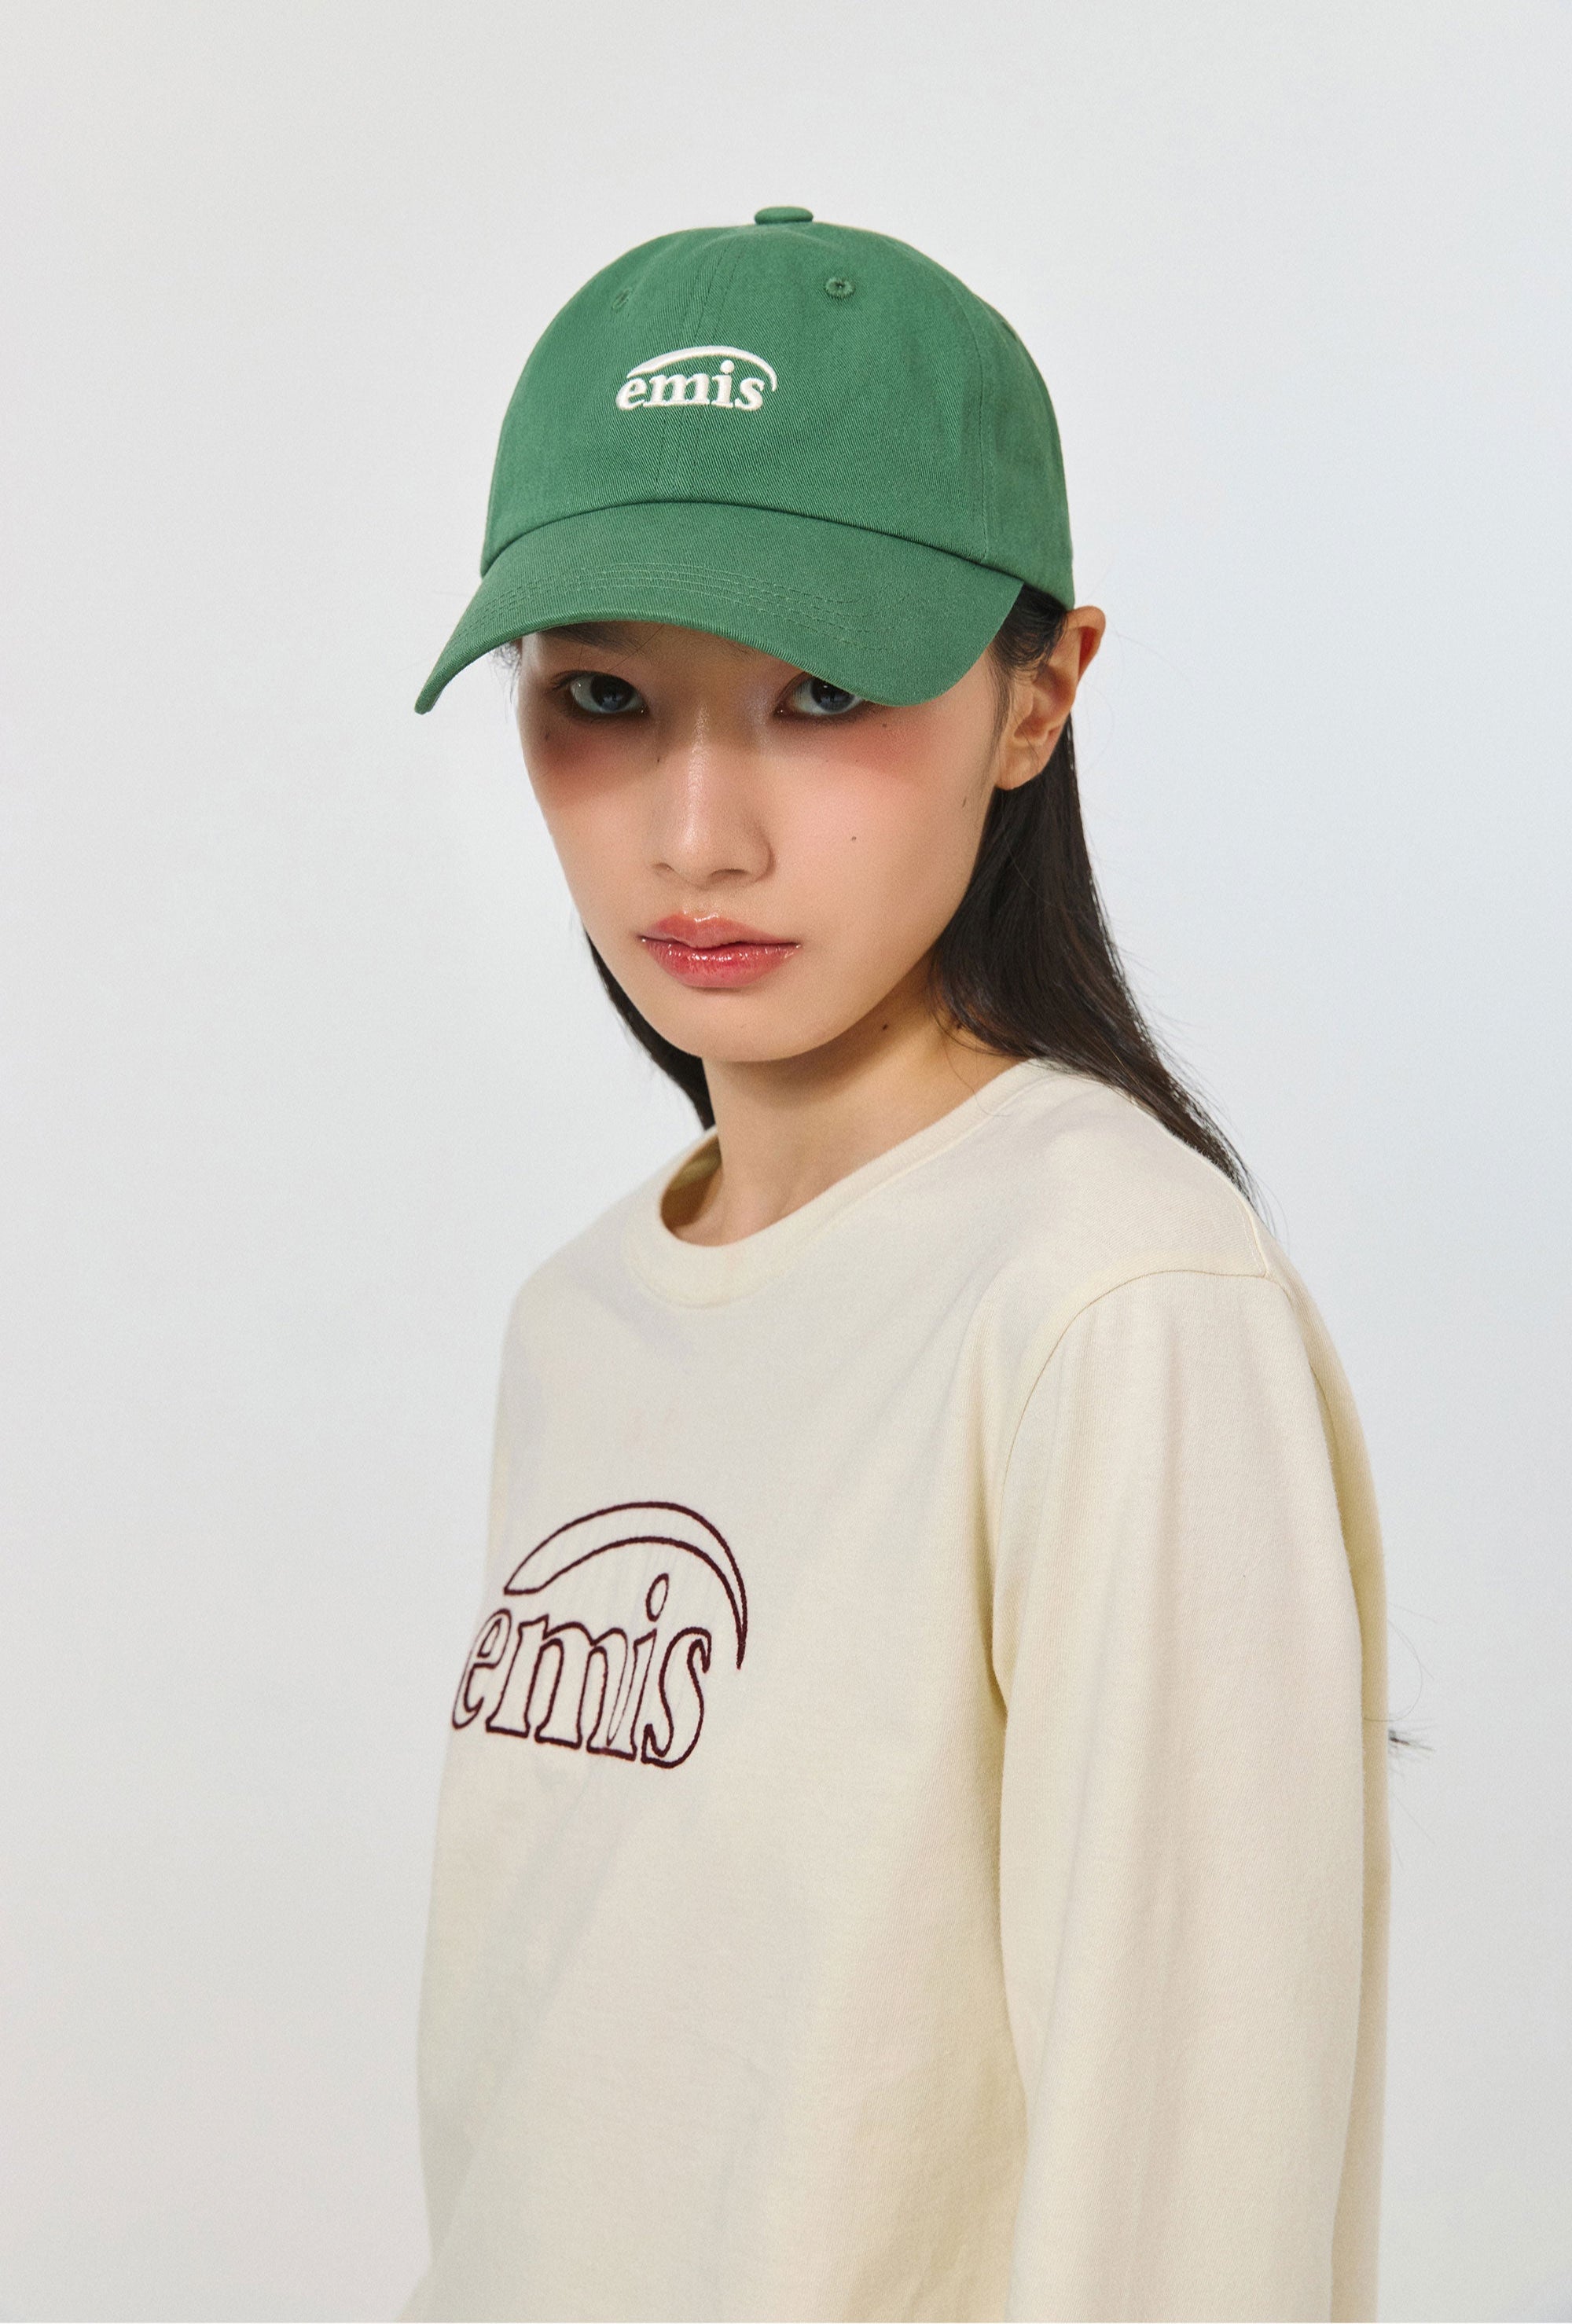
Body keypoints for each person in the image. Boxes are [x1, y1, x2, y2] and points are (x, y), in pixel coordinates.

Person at [402, 208, 1390, 2324]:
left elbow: (1194, 2201)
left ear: (1040, 697)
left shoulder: (1111, 1302)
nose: (697, 832)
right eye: (603, 695)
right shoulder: (583, 1321)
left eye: (823, 689)